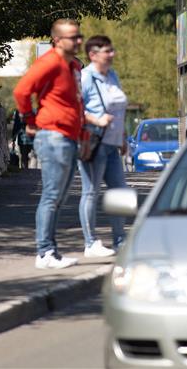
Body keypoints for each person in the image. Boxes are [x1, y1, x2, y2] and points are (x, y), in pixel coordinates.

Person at [13, 19, 85, 269]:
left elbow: (76, 102)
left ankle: (50, 250)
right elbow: (22, 91)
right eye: (72, 38)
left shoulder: (74, 65)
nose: (78, 41)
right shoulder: (50, 63)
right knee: (52, 195)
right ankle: (44, 252)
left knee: (60, 197)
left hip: (69, 136)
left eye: (79, 36)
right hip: (53, 135)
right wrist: (29, 119)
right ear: (57, 40)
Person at [77, 35, 129, 258]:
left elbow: (118, 108)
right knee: (91, 192)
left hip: (112, 143)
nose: (112, 54)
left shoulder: (112, 76)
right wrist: (97, 120)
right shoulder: (86, 77)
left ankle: (120, 240)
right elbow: (76, 109)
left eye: (112, 50)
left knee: (120, 192)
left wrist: (123, 136)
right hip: (94, 141)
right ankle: (91, 243)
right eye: (107, 51)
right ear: (93, 55)